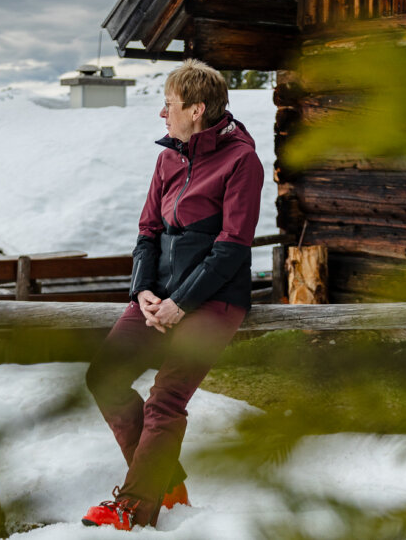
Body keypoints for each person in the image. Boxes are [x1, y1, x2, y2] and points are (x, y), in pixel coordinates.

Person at [81, 59, 264, 530]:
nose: (163, 114)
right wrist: (142, 289)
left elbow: (232, 246)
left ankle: (135, 507)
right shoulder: (168, 157)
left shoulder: (242, 160)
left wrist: (182, 303)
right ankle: (166, 482)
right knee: (104, 376)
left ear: (197, 108)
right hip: (158, 296)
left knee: (165, 400)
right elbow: (147, 230)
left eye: (169, 105)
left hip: (214, 300)